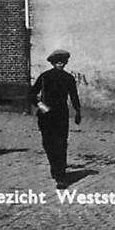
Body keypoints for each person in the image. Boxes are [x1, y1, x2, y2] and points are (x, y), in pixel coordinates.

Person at [29, 49, 81, 188]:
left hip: (61, 115)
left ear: (66, 63)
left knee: (61, 144)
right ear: (52, 63)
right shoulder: (45, 77)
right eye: (57, 61)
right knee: (48, 144)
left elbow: (74, 96)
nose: (60, 64)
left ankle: (61, 176)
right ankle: (55, 167)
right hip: (46, 115)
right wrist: (40, 105)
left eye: (63, 61)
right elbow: (32, 93)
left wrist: (78, 111)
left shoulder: (68, 78)